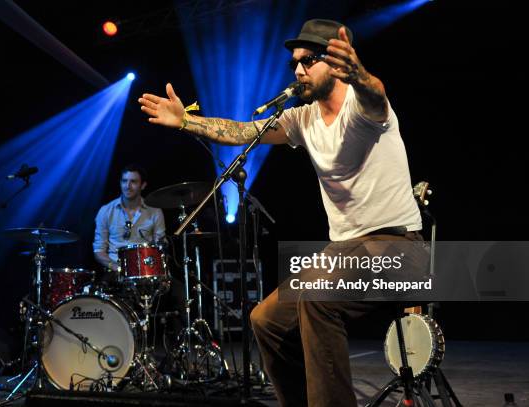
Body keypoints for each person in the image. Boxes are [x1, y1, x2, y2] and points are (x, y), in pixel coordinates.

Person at [138, 19, 428, 407]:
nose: (298, 71)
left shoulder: (364, 107)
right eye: (295, 62)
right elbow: (244, 131)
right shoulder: (303, 119)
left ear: (337, 65)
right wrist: (188, 121)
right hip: (344, 250)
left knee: (316, 297)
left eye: (308, 61)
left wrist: (360, 75)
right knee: (266, 320)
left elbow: (376, 94)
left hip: (397, 244)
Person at [93, 163, 166, 271]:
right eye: (124, 181)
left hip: (146, 269)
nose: (127, 186)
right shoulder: (106, 211)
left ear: (143, 185)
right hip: (115, 270)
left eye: (133, 182)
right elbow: (98, 250)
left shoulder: (155, 211)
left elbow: (160, 246)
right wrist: (116, 267)